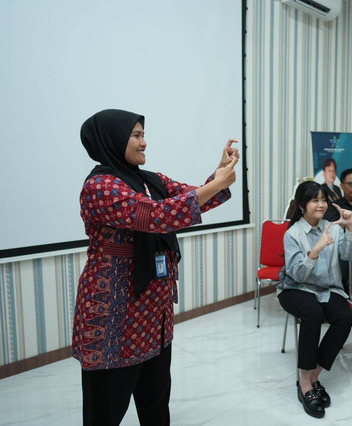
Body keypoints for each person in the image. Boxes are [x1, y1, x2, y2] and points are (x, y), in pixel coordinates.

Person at [73, 109, 238, 425]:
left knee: (156, 406)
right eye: (136, 135)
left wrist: (218, 174)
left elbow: (192, 200)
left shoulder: (151, 180)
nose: (144, 142)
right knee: (104, 413)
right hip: (114, 320)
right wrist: (216, 183)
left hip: (153, 315)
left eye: (143, 134)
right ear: (113, 138)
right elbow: (155, 217)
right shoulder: (100, 186)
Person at [277, 181, 352, 418]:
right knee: (313, 313)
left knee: (344, 318)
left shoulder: (333, 227)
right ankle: (304, 383)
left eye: (324, 199)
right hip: (295, 288)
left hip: (327, 288)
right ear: (302, 205)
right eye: (315, 200)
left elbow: (350, 255)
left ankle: (314, 376)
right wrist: (316, 249)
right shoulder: (292, 234)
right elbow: (297, 274)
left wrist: (351, 226)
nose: (321, 204)